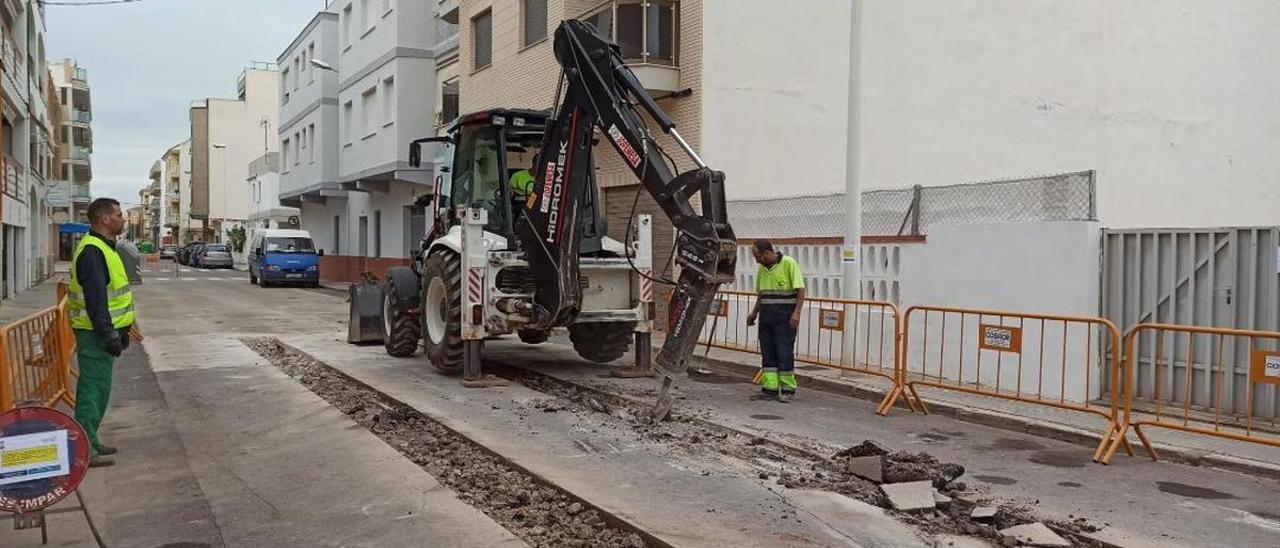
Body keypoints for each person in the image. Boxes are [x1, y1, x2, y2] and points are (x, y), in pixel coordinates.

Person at [68, 198, 135, 467]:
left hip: (100, 331)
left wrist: (123, 329)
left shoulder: (104, 247)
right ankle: (84, 450)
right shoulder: (93, 251)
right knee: (92, 390)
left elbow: (111, 295)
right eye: (118, 215)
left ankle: (91, 440)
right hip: (93, 333)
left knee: (99, 389)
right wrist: (108, 334)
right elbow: (96, 300)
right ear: (105, 219)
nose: (123, 218)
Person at [746, 239, 805, 402]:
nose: (757, 261)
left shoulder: (789, 264)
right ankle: (770, 388)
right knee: (768, 353)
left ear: (767, 253)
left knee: (784, 352)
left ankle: (788, 388)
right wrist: (754, 313)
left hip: (785, 318)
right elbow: (761, 294)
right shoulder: (762, 269)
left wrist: (796, 313)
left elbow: (800, 290)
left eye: (758, 257)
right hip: (767, 317)